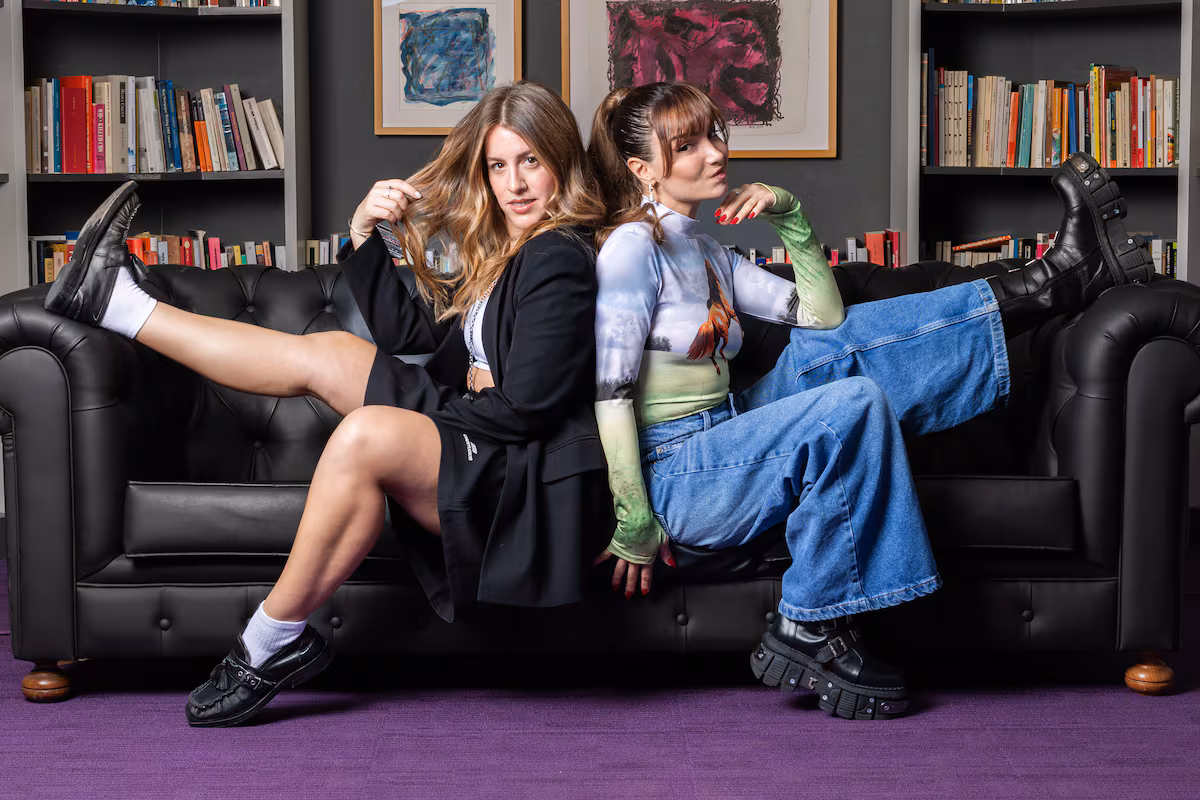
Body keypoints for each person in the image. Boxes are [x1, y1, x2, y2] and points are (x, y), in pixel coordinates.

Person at [43, 80, 610, 727]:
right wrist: (365, 233)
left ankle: (266, 642)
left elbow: (526, 408)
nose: (515, 183)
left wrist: (415, 411)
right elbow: (412, 338)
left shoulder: (558, 255)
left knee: (367, 435)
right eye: (498, 165)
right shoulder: (510, 250)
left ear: (560, 160)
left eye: (531, 160)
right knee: (332, 352)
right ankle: (117, 305)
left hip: (522, 480)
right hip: (491, 442)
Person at [587, 81, 1153, 720]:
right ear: (642, 169)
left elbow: (824, 317)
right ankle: (810, 623)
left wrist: (790, 214)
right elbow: (611, 391)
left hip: (726, 431)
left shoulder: (704, 249)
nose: (714, 153)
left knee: (830, 349)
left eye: (714, 135)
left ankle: (1055, 282)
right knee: (849, 402)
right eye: (687, 145)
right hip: (678, 474)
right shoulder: (632, 248)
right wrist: (633, 518)